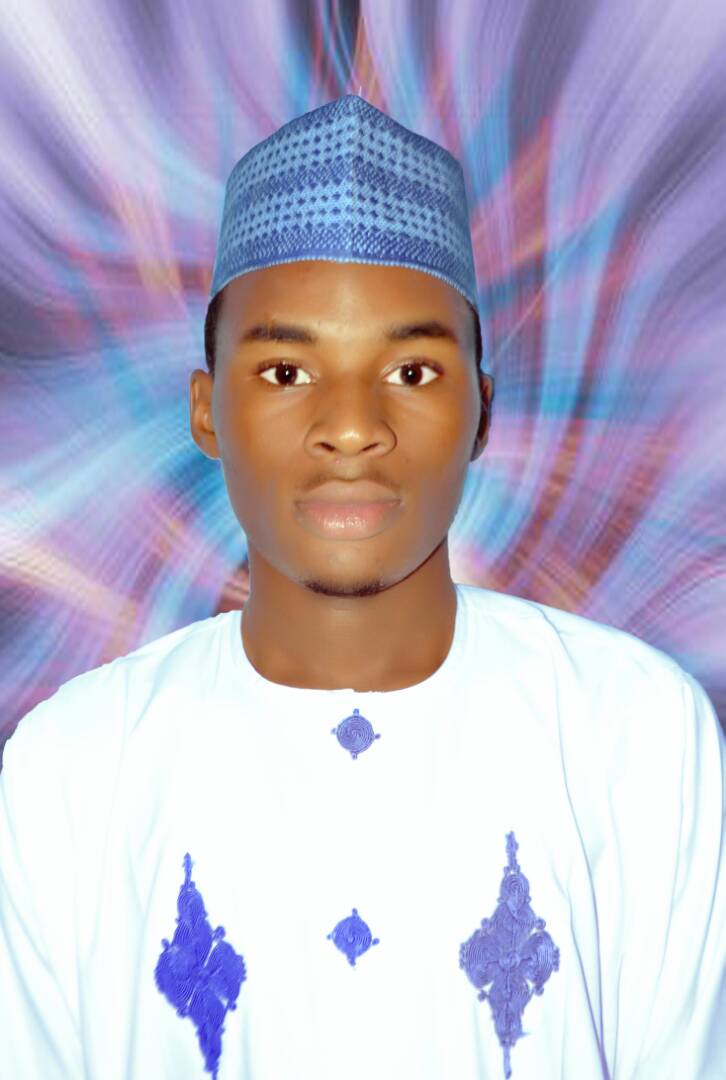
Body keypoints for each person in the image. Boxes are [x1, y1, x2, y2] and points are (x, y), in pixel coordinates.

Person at [0, 94, 723, 1080]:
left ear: (481, 411)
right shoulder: (75, 769)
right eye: (287, 372)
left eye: (413, 372)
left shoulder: (634, 735)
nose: (350, 427)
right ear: (207, 411)